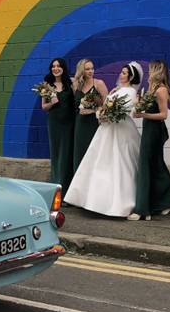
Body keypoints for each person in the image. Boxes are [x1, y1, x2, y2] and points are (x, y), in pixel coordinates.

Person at [64, 61, 142, 218]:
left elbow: (122, 111)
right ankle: (95, 201)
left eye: (125, 73)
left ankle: (121, 203)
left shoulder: (130, 92)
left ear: (131, 77)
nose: (121, 74)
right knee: (100, 163)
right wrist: (100, 112)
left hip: (120, 130)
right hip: (107, 128)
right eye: (121, 72)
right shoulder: (117, 89)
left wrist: (102, 114)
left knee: (120, 164)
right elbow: (107, 106)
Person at [130, 60, 170, 221]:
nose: (149, 72)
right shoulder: (150, 89)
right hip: (149, 129)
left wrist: (143, 115)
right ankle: (169, 202)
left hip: (155, 131)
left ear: (157, 71)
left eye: (151, 70)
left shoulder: (161, 90)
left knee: (145, 165)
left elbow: (163, 115)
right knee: (157, 165)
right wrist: (138, 105)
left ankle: (143, 210)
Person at [41, 58, 75, 194]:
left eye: (58, 66)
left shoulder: (70, 83)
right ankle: (57, 191)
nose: (56, 68)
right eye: (53, 66)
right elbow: (43, 107)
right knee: (56, 155)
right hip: (54, 123)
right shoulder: (46, 85)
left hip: (69, 123)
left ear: (63, 68)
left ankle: (68, 191)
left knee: (67, 156)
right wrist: (52, 102)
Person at [72, 58, 108, 175]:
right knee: (80, 153)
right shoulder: (76, 84)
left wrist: (92, 110)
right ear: (81, 70)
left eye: (92, 68)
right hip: (80, 124)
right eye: (87, 69)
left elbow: (107, 107)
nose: (91, 71)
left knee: (93, 152)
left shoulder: (99, 84)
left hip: (94, 124)